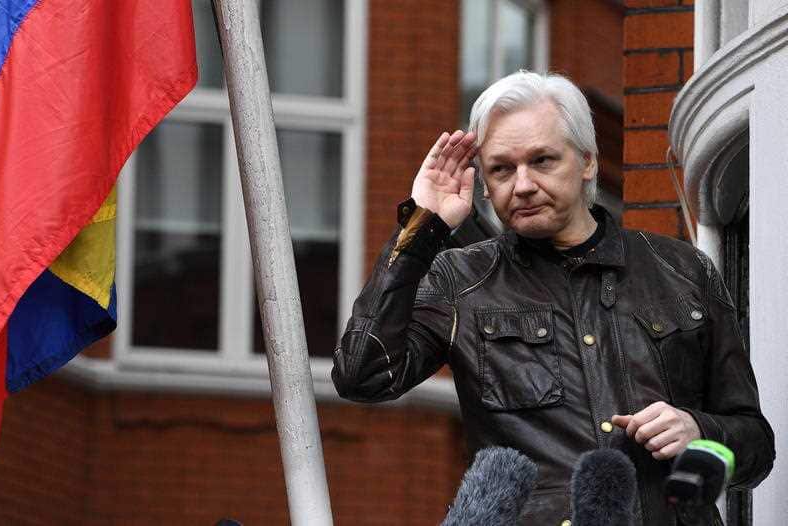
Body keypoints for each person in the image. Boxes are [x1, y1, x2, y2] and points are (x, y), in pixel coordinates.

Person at [331, 70, 774, 525]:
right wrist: (422, 226)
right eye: (501, 168)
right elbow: (361, 376)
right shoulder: (460, 279)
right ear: (483, 182)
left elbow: (756, 445)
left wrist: (699, 431)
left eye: (542, 160)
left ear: (586, 161)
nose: (521, 184)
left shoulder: (682, 270)